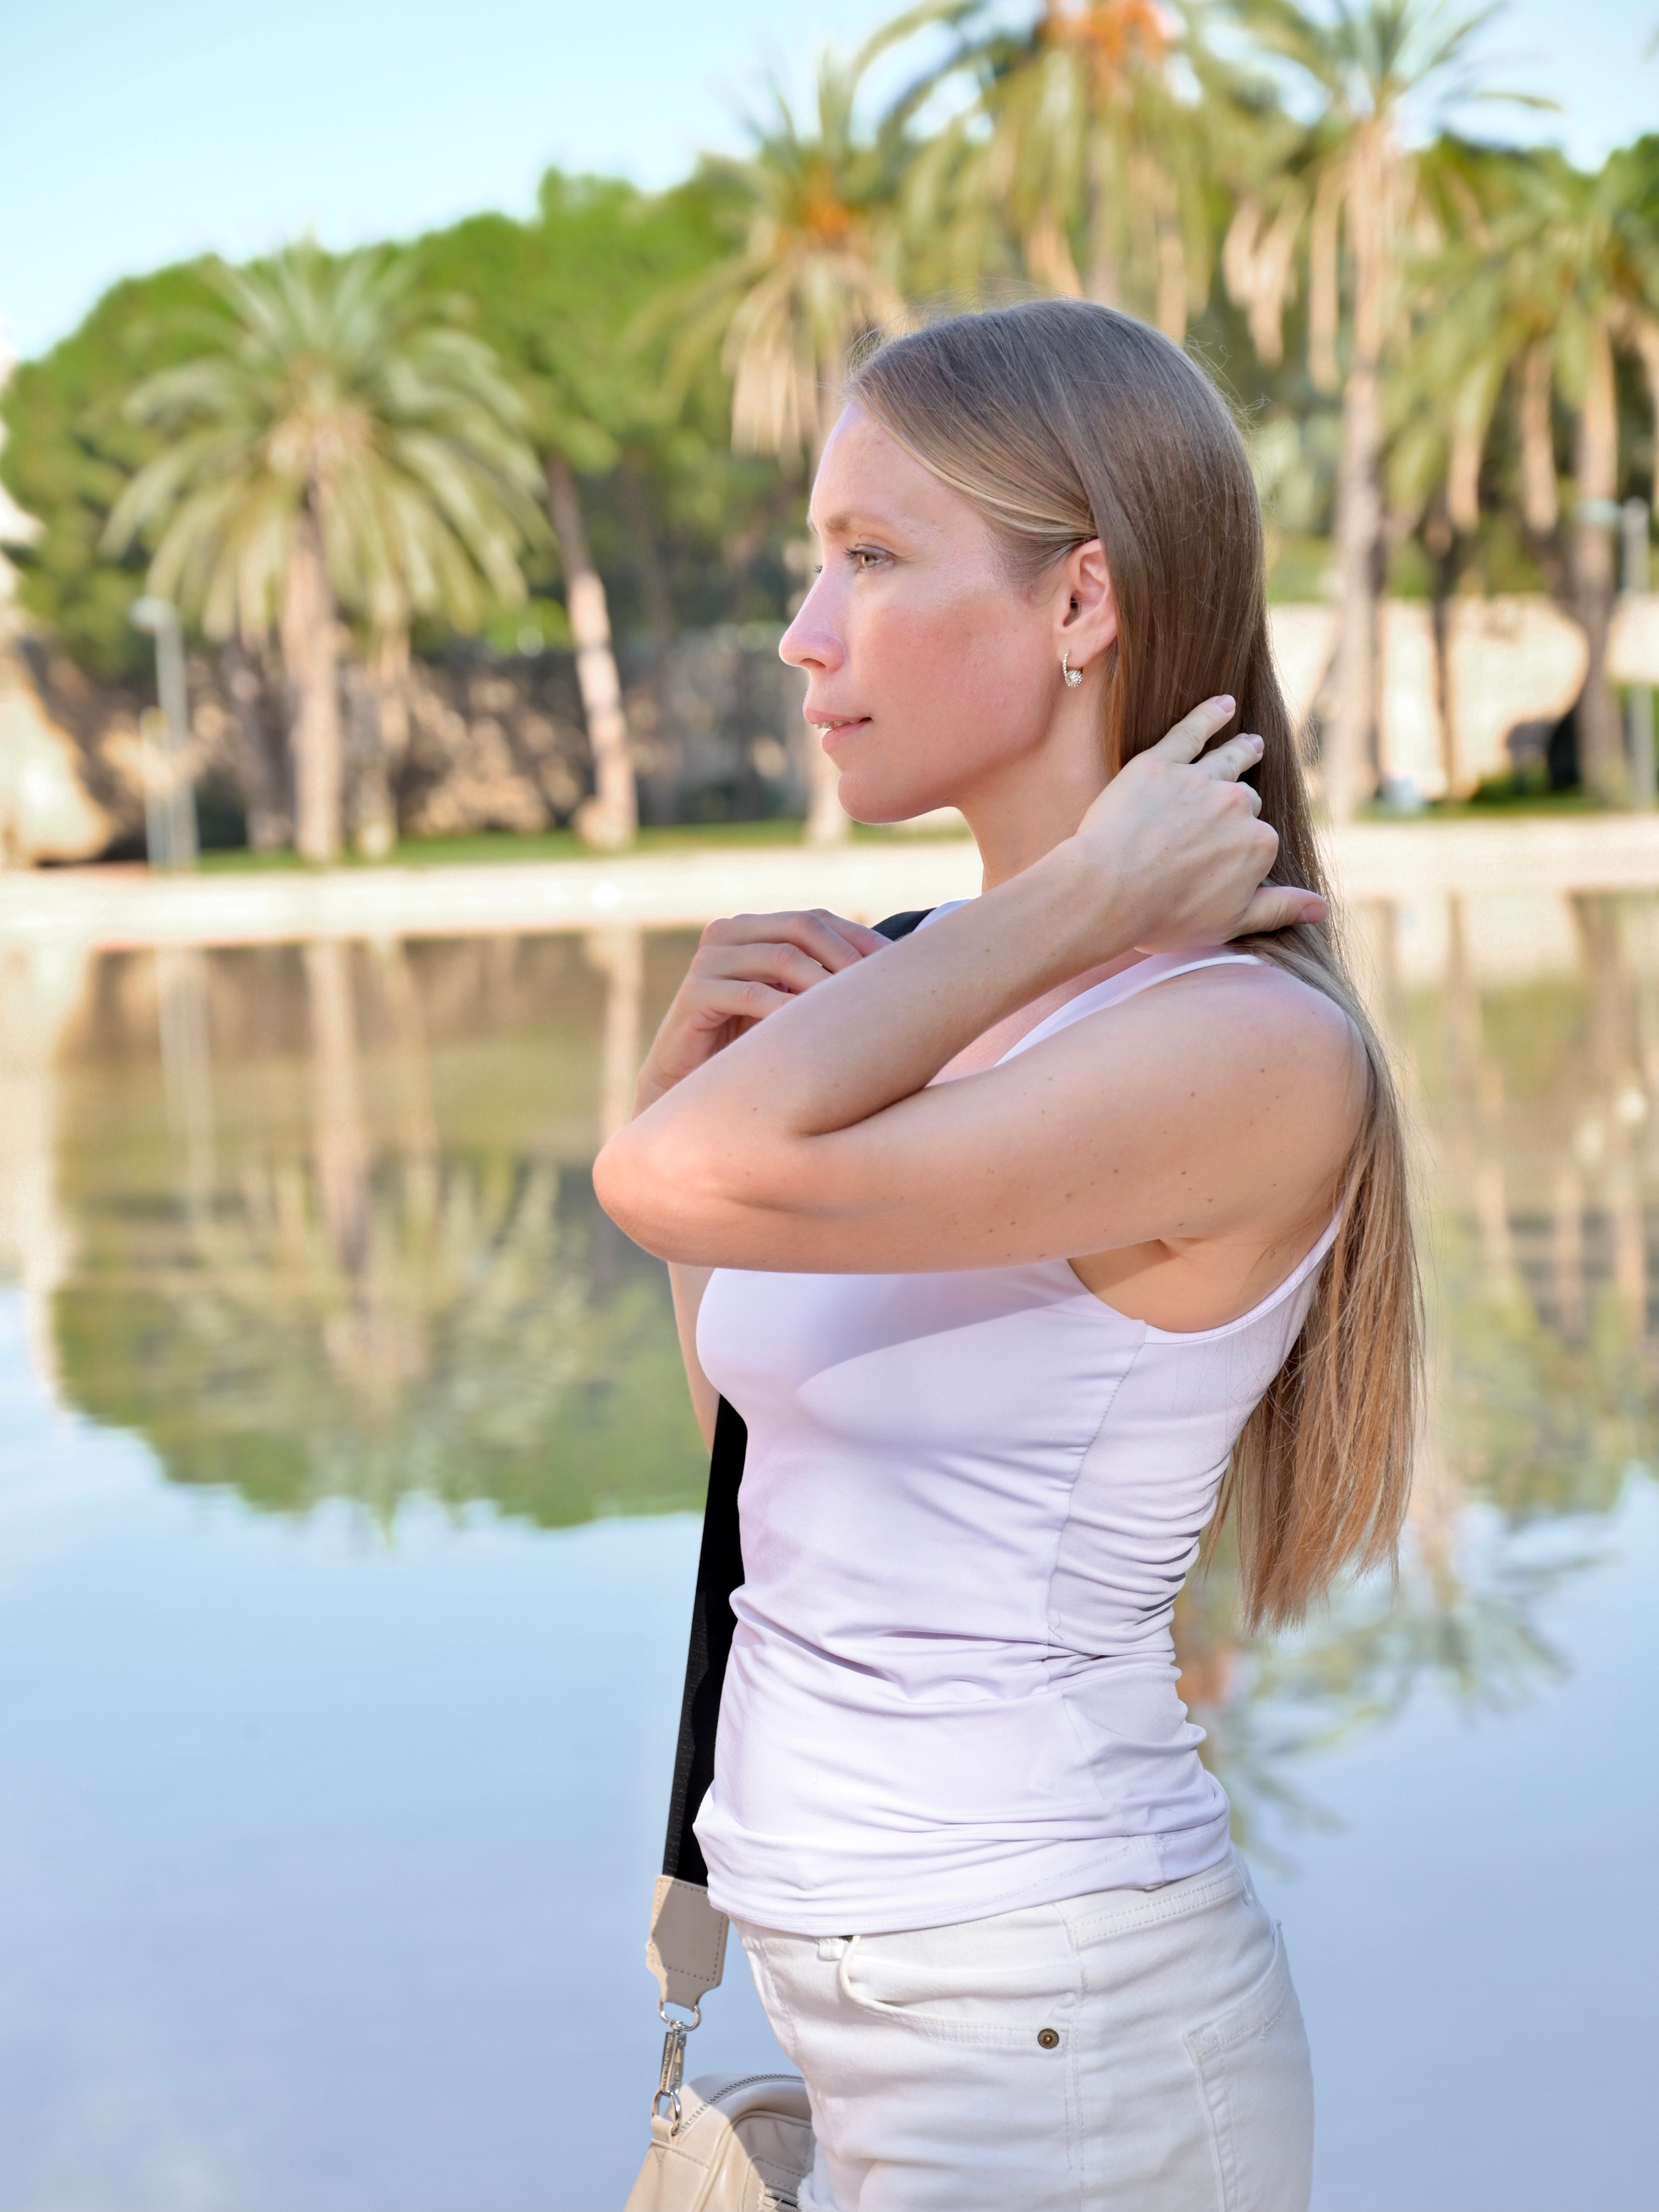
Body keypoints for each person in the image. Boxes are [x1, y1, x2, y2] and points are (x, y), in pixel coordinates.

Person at [595, 299, 1419, 2212]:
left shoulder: (1239, 1049)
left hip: (1065, 2045)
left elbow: (667, 1181)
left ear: (1082, 606)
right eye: (822, 560)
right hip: (877, 2001)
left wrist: (1068, 907)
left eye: (873, 559)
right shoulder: (910, 983)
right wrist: (690, 1073)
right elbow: (759, 1415)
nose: (806, 632)